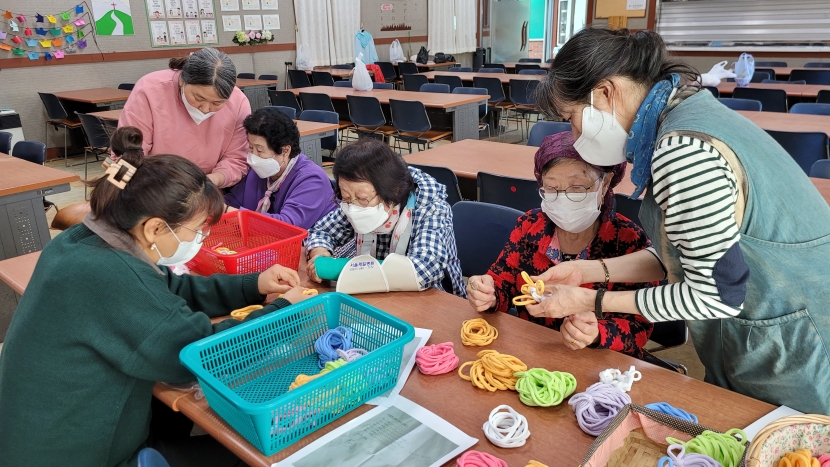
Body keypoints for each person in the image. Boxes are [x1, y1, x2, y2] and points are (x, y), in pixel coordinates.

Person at [532, 28, 830, 414]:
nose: (574, 135)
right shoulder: (686, 112)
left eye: (571, 118)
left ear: (605, 93)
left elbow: (715, 294)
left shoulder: (684, 150)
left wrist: (592, 299)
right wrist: (588, 271)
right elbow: (687, 251)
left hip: (794, 347)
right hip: (764, 334)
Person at [0, 126, 315, 466]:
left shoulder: (85, 240)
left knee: (175, 414)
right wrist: (284, 314)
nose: (200, 239)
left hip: (38, 434)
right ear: (154, 228)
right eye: (197, 230)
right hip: (78, 456)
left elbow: (170, 287)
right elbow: (201, 354)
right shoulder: (112, 277)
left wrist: (253, 285)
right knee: (257, 453)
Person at [466, 133, 655, 358]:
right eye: (552, 188)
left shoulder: (628, 241)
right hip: (530, 349)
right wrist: (487, 293)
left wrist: (597, 333)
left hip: (594, 362)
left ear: (604, 184)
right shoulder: (530, 226)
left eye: (577, 187)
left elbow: (639, 326)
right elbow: (501, 281)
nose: (564, 198)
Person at [306, 138, 465, 297]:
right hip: (373, 292)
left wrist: (335, 269)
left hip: (431, 297)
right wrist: (320, 255)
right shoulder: (354, 201)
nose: (353, 208)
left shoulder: (430, 207)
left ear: (393, 191)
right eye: (347, 198)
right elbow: (321, 231)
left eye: (362, 199)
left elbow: (425, 269)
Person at [119, 47, 250, 188]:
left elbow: (237, 159)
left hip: (207, 189)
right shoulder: (149, 90)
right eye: (198, 98)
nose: (205, 109)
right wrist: (112, 189)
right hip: (153, 187)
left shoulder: (238, 102)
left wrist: (212, 181)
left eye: (217, 103)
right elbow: (127, 155)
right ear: (182, 80)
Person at [225, 107, 337, 229]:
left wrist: (226, 211)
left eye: (260, 150)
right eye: (251, 148)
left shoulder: (312, 180)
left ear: (285, 151)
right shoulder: (258, 172)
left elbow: (286, 226)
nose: (254, 156)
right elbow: (233, 201)